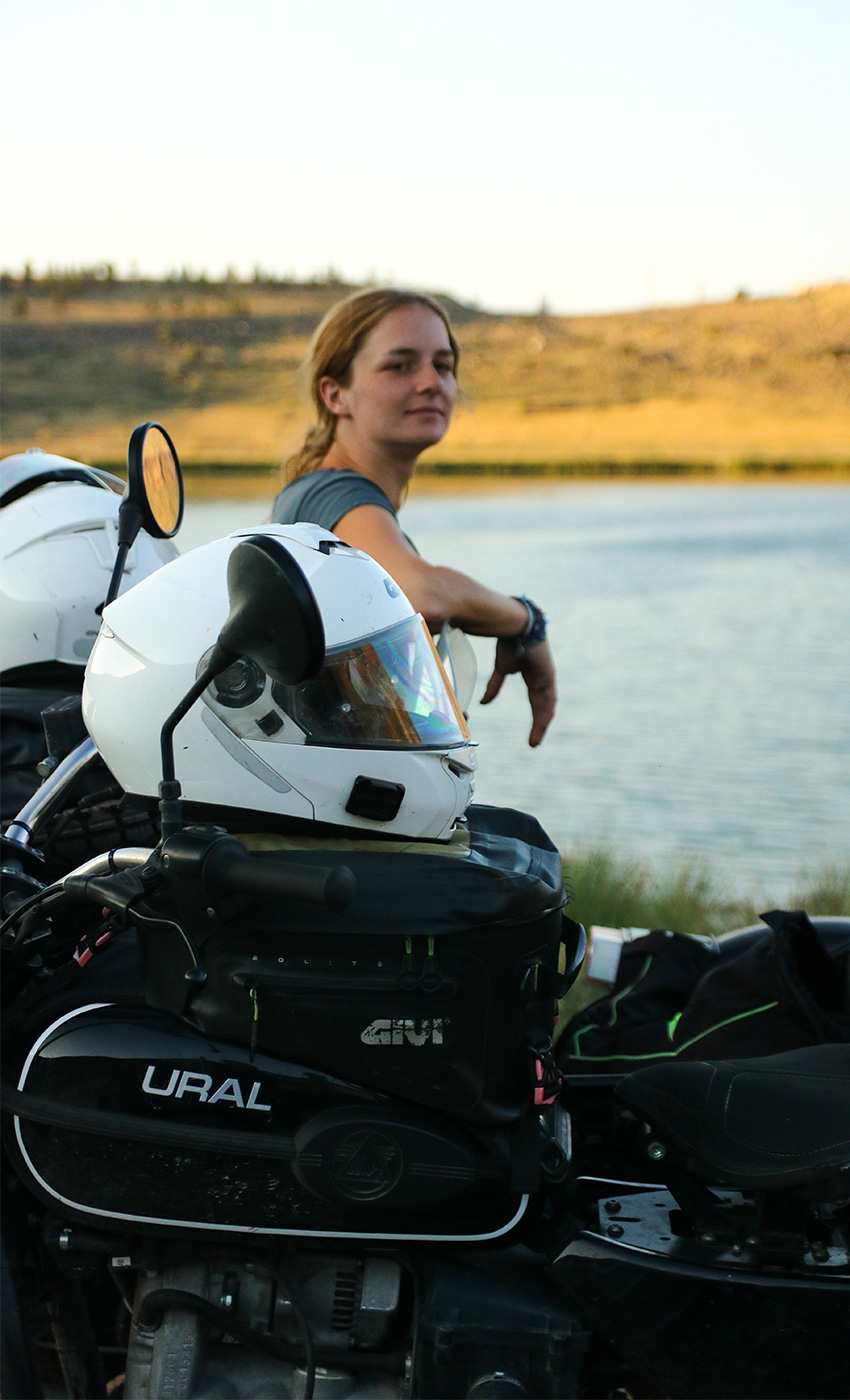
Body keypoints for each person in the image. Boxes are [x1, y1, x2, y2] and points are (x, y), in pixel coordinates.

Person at [271, 287, 556, 747]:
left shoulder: (330, 496)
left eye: (443, 365)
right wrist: (526, 620)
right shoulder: (331, 493)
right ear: (335, 395)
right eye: (400, 365)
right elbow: (419, 594)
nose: (430, 382)